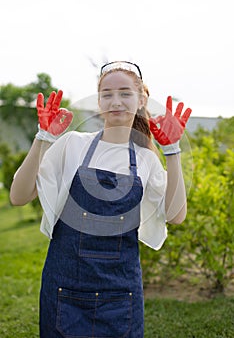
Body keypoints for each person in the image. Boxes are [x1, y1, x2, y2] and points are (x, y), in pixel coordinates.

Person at [10, 61, 192, 337]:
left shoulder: (145, 160)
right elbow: (18, 196)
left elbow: (175, 215)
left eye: (125, 93)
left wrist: (172, 151)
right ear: (98, 101)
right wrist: (43, 138)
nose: (115, 101)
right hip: (64, 287)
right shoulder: (73, 144)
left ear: (141, 99)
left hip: (120, 293)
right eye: (107, 94)